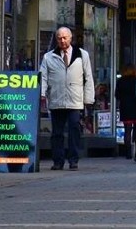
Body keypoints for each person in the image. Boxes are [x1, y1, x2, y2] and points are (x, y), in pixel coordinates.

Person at [39, 26, 95, 171]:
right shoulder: (49, 57)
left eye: (65, 38)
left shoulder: (82, 55)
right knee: (57, 133)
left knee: (74, 130)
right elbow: (43, 77)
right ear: (56, 39)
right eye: (59, 38)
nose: (62, 41)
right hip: (57, 100)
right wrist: (42, 94)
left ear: (71, 38)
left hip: (75, 100)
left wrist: (88, 99)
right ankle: (57, 161)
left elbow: (88, 77)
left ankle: (73, 160)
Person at [115, 64, 136, 159]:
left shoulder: (121, 81)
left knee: (127, 130)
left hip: (126, 107)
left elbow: (117, 95)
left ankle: (128, 152)